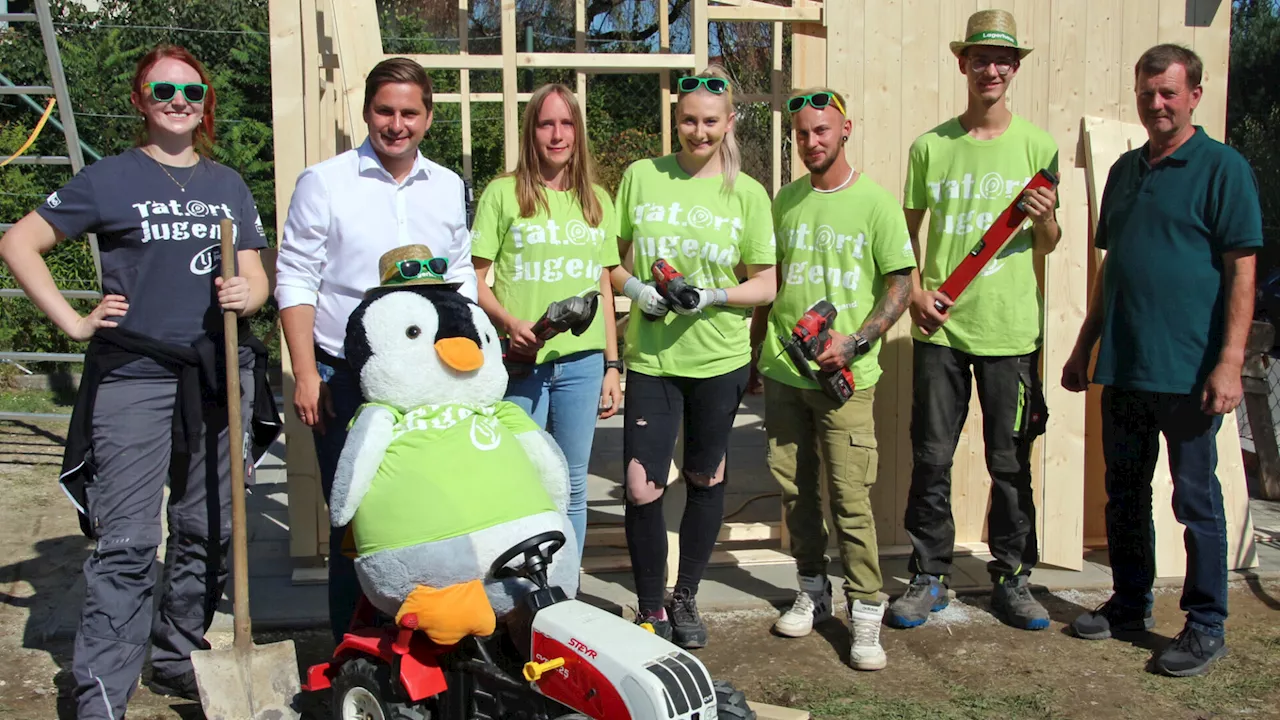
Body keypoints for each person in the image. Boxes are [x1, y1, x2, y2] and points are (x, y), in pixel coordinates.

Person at [0, 45, 274, 718]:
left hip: (215, 373)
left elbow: (259, 276)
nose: (177, 100)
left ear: (205, 100)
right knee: (127, 542)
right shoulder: (109, 179)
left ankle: (179, 653)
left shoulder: (228, 185)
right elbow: (17, 242)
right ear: (140, 100)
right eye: (163, 89)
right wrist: (72, 320)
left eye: (190, 89)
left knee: (206, 529)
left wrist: (250, 293)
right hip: (134, 374)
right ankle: (102, 694)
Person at [1062, 44, 1262, 677]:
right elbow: (1111, 271)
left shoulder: (1222, 168)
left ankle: (1206, 624)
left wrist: (1229, 361)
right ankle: (1129, 602)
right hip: (1124, 364)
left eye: (1169, 92)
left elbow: (1242, 272)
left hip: (1189, 371)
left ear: (1195, 95)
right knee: (1123, 495)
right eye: (1148, 93)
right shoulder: (1125, 172)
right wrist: (1083, 346)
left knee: (1195, 500)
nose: (1156, 104)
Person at [275, 56, 478, 642]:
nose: (396, 124)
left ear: (428, 117)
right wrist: (306, 375)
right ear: (366, 112)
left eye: (409, 112)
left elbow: (458, 278)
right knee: (355, 521)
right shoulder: (325, 182)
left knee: (429, 510)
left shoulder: (447, 187)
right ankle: (353, 649)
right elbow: (296, 279)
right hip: (347, 377)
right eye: (385, 111)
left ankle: (424, 641)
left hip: (430, 380)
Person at [889, 8, 1061, 631]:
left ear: (1014, 69)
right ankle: (929, 575)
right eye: (981, 58)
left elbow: (1050, 241)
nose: (992, 69)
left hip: (1012, 333)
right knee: (932, 458)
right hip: (943, 331)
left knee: (1010, 462)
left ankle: (1013, 579)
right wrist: (916, 295)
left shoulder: (1038, 146)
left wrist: (1043, 218)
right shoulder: (929, 146)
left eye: (1003, 60)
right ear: (963, 64)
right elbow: (902, 242)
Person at [610, 66, 777, 650]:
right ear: (674, 119)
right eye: (688, 120)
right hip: (653, 360)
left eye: (710, 121)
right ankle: (651, 607)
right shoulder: (641, 177)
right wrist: (638, 293)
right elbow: (612, 262)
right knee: (640, 486)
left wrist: (713, 295)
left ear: (728, 122)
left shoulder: (748, 193)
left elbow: (767, 284)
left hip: (719, 359)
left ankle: (686, 598)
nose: (698, 132)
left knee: (707, 476)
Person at [751, 87, 915, 670]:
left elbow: (901, 284)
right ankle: (813, 591)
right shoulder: (784, 202)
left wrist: (856, 341)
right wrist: (755, 358)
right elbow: (769, 290)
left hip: (846, 376)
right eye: (801, 133)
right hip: (784, 372)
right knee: (795, 491)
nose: (811, 142)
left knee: (849, 498)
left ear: (846, 129)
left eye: (822, 131)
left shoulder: (875, 202)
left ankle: (865, 611)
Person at [470, 83, 622, 557]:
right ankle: (521, 599)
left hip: (582, 364)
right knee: (523, 482)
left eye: (566, 123)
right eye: (546, 124)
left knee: (573, 484)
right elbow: (473, 280)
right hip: (520, 361)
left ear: (578, 131)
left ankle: (565, 592)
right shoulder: (502, 194)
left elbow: (603, 285)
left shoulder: (596, 200)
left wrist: (612, 366)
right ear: (531, 131)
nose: (557, 135)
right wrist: (508, 323)